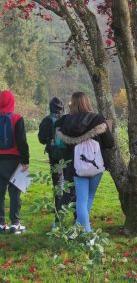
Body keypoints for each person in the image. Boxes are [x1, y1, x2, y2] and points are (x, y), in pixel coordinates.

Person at [56, 92, 114, 233]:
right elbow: (110, 143)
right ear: (87, 102)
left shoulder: (65, 121)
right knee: (89, 197)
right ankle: (87, 234)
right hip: (96, 165)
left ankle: (79, 228)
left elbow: (60, 142)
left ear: (72, 103)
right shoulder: (97, 119)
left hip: (77, 166)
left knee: (81, 200)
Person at [38, 97, 76, 227]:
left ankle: (58, 218)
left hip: (54, 156)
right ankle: (76, 217)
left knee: (58, 185)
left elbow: (41, 139)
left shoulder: (47, 120)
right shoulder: (67, 119)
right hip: (67, 156)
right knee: (71, 185)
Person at [0, 90, 29, 234]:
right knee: (15, 193)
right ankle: (15, 223)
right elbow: (22, 141)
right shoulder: (17, 118)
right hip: (14, 159)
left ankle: (0, 224)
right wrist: (25, 160)